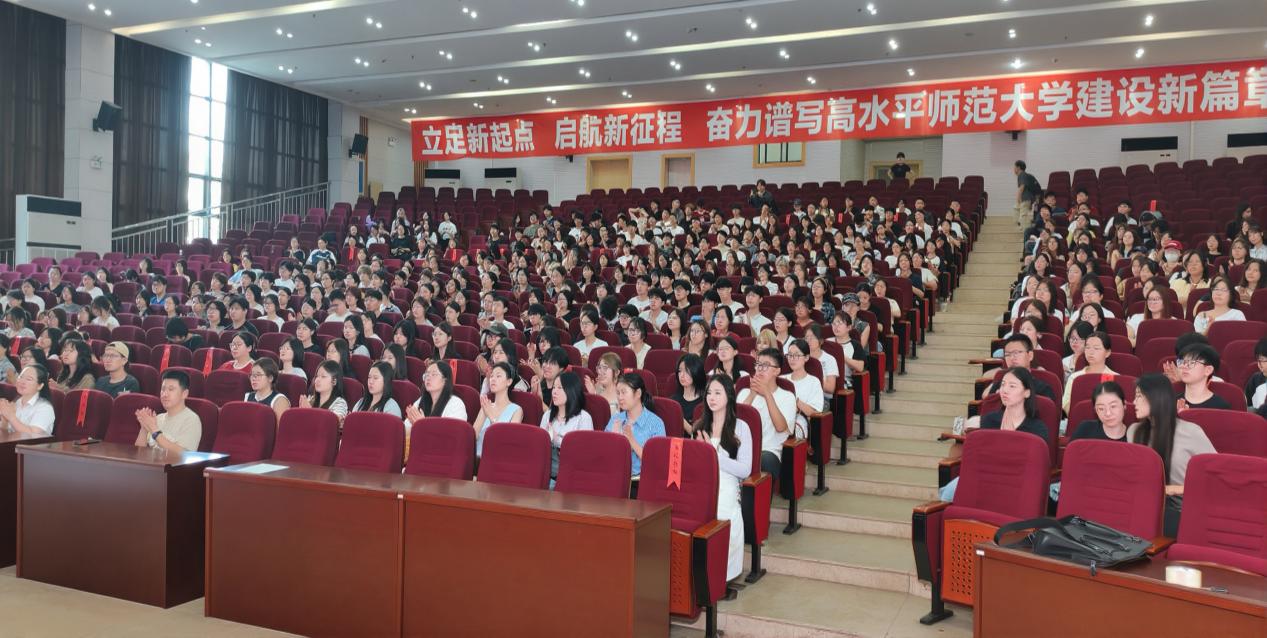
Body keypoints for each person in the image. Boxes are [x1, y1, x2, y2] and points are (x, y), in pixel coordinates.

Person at [940, 367, 1049, 501]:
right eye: (1003, 385)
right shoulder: (991, 419)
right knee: (947, 494)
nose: (1005, 390)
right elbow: (971, 430)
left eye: (1012, 386)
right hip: (986, 475)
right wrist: (963, 425)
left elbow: (1036, 466)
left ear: (1027, 392)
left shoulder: (1037, 429)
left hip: (1016, 481)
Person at [688, 374, 752, 582]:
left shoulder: (741, 427)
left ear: (729, 396)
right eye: (709, 393)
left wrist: (713, 455)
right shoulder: (699, 427)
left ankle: (722, 578)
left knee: (723, 514)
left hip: (728, 485)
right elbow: (692, 467)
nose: (712, 398)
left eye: (717, 393)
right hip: (702, 486)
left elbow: (745, 470)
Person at [1127, 373, 1217, 500]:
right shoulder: (1133, 431)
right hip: (1146, 501)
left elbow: (1216, 476)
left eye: (1139, 396)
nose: (1134, 402)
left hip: (1184, 503)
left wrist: (1174, 489)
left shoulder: (1191, 432)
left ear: (1156, 398)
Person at [737, 348, 796, 483]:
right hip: (742, 449)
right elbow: (735, 424)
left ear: (777, 371)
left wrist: (767, 394)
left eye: (765, 366)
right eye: (758, 364)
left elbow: (780, 427)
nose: (759, 369)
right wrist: (752, 395)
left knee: (763, 460)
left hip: (769, 452)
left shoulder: (787, 397)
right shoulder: (744, 393)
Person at [606, 372, 666, 482]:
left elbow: (657, 463)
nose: (620, 397)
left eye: (624, 392)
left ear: (638, 393)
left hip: (643, 482)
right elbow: (604, 456)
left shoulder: (656, 423)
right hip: (614, 478)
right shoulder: (615, 419)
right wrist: (614, 439)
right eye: (618, 393)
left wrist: (631, 441)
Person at [133, 370, 202, 452]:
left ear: (184, 394)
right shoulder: (158, 418)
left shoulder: (191, 420)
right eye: (163, 389)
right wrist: (144, 428)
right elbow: (139, 453)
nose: (165, 394)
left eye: (171, 389)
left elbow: (184, 454)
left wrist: (154, 429)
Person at [542, 371, 593, 481]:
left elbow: (584, 454)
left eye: (559, 388)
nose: (554, 391)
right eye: (554, 387)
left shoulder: (583, 418)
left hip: (573, 476)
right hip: (547, 473)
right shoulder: (548, 415)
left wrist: (557, 439)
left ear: (571, 390)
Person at [472, 362, 524, 458]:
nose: (493, 379)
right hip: (477, 459)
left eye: (498, 376)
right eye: (491, 376)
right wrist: (484, 414)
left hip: (499, 459)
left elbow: (509, 443)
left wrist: (491, 417)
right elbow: (471, 438)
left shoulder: (516, 410)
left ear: (509, 382)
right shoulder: (486, 406)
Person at [1061, 331, 1116, 413]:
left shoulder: (1115, 378)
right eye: (1087, 347)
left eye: (1096, 348)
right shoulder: (1075, 377)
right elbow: (1066, 403)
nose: (1091, 352)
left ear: (1107, 353)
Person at [782, 339, 825, 438]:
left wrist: (796, 401)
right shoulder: (782, 379)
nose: (792, 359)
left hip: (799, 420)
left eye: (797, 355)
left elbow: (815, 413)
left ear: (806, 357)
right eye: (790, 355)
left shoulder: (813, 382)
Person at [0, 364, 56, 435]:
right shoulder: (17, 402)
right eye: (21, 377)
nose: (22, 381)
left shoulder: (45, 408)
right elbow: (7, 432)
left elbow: (33, 434)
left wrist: (11, 416)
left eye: (29, 379)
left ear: (40, 386)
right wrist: (4, 418)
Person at [1175, 343, 1231, 410]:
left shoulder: (1220, 406)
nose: (1183, 366)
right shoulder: (1172, 402)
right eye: (1181, 362)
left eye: (1191, 363)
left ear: (1208, 370)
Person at [245, 358, 292, 424]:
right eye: (252, 375)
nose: (253, 378)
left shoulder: (279, 400)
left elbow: (281, 429)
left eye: (258, 375)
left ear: (270, 378)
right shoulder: (247, 397)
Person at [303, 360, 350, 426]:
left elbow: (332, 423)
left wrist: (309, 412)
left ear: (334, 381)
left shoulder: (340, 402)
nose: (317, 380)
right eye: (316, 376)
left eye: (323, 376)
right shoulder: (311, 399)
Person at [671, 353, 706, 431]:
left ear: (696, 372)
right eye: (680, 371)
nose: (682, 375)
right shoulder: (673, 401)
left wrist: (679, 417)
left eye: (686, 371)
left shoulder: (705, 403)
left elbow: (696, 433)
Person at [1014, 160, 1042, 227]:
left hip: (1025, 198)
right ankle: (1022, 226)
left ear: (1018, 167)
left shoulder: (1022, 174)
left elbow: (1022, 187)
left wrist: (1018, 198)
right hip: (1028, 198)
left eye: (1014, 167)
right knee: (1020, 213)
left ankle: (1026, 230)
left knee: (1023, 216)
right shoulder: (1027, 175)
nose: (1014, 169)